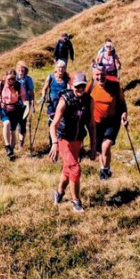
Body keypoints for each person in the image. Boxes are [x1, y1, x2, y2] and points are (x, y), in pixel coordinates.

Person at [49, 72, 94, 213]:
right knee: (75, 168)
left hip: (78, 139)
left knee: (68, 170)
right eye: (77, 86)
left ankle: (58, 192)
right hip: (64, 139)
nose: (80, 89)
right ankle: (76, 202)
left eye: (82, 86)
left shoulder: (89, 100)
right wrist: (55, 143)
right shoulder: (65, 100)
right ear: (71, 86)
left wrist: (94, 146)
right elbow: (53, 125)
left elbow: (91, 124)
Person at [89, 64, 128, 180]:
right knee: (101, 149)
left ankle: (104, 171)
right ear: (93, 75)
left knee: (105, 146)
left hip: (112, 121)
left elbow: (122, 103)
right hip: (96, 122)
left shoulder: (115, 86)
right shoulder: (90, 86)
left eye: (102, 74)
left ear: (106, 74)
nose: (100, 77)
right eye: (97, 74)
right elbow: (82, 99)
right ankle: (105, 168)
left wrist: (124, 115)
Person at [0, 69, 25, 160]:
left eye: (13, 79)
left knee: (12, 131)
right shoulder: (1, 84)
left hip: (15, 110)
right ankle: (7, 146)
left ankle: (11, 150)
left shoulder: (18, 85)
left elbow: (24, 97)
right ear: (6, 77)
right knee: (6, 123)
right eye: (9, 78)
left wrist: (28, 106)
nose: (11, 80)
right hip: (4, 108)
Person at [41, 59, 71, 147]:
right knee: (52, 122)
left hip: (62, 104)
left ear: (65, 68)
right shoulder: (51, 77)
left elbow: (69, 90)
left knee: (62, 123)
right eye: (59, 67)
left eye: (63, 67)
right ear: (56, 68)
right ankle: (52, 142)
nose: (61, 69)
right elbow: (44, 88)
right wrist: (43, 96)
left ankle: (61, 143)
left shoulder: (67, 79)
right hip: (52, 104)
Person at [15, 61, 35, 150]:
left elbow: (31, 92)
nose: (21, 70)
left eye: (22, 68)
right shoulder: (14, 78)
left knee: (22, 124)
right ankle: (14, 143)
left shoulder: (28, 79)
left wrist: (32, 104)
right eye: (19, 68)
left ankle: (21, 144)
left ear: (25, 70)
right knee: (14, 124)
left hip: (25, 104)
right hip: (14, 104)